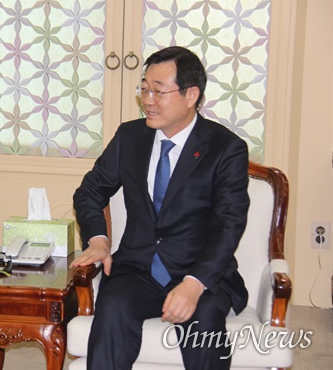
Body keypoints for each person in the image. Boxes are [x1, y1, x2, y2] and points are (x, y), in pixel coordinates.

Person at [71, 46, 250, 369]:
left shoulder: (226, 149)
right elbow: (90, 191)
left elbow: (228, 224)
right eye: (143, 89)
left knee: (205, 317)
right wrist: (98, 239)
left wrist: (194, 285)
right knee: (113, 307)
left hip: (198, 272)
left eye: (158, 91)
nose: (147, 100)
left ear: (191, 94)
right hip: (137, 269)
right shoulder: (130, 137)